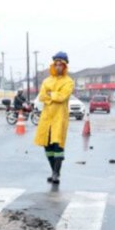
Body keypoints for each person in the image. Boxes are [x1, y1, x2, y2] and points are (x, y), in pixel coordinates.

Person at [33, 51, 75, 184]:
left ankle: (56, 173)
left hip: (59, 117)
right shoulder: (46, 80)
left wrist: (51, 95)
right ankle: (53, 171)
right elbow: (42, 96)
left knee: (58, 146)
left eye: (60, 64)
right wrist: (53, 96)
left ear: (64, 66)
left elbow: (62, 97)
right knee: (47, 146)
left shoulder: (68, 82)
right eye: (56, 64)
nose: (58, 67)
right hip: (46, 118)